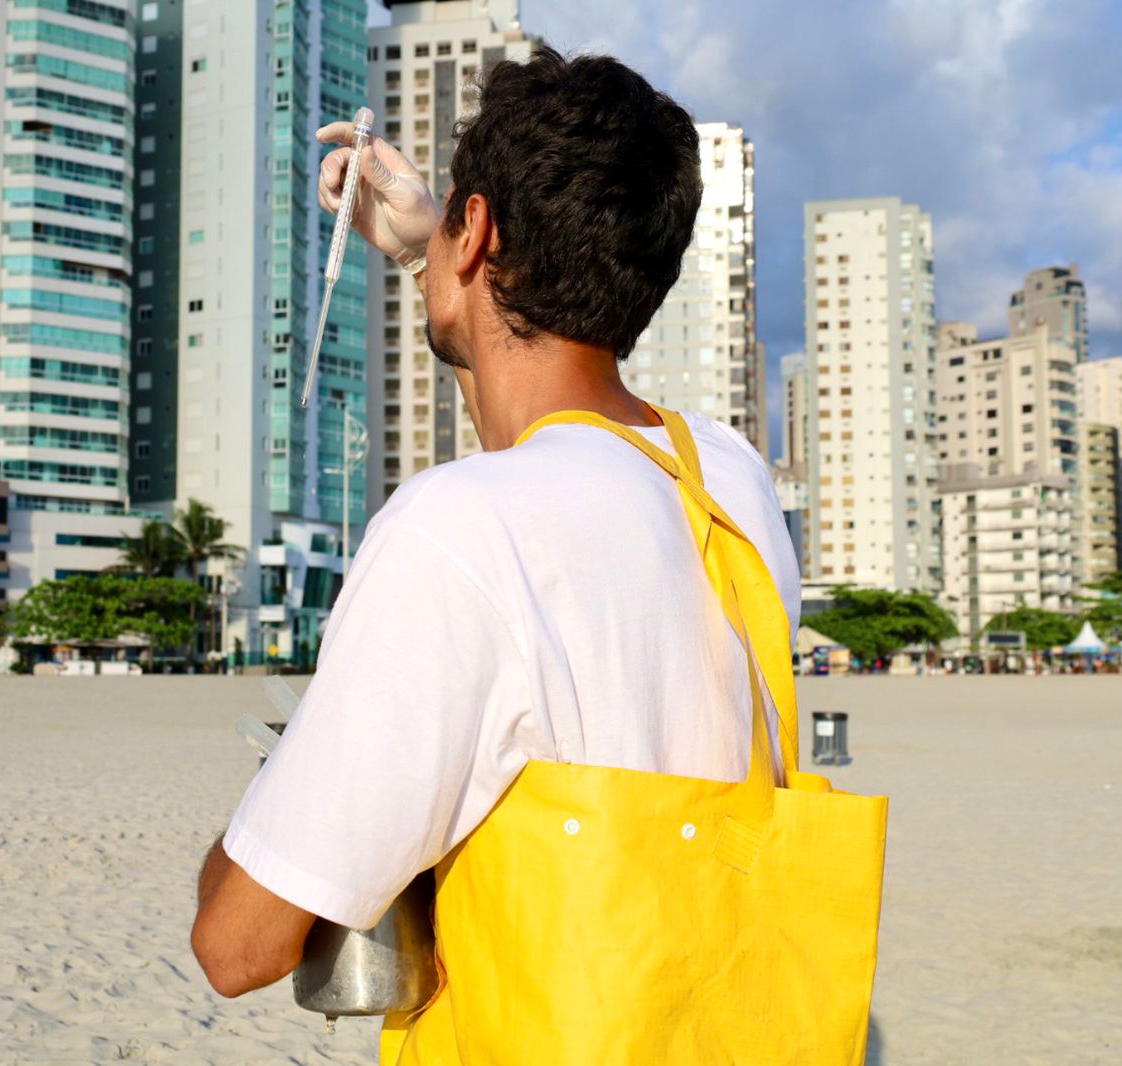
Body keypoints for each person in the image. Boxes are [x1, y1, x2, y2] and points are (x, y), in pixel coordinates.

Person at [192, 48, 800, 1053]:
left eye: (453, 231)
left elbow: (238, 943)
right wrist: (439, 248)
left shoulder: (456, 529)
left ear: (473, 231)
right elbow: (560, 443)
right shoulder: (730, 479)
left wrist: (285, 784)